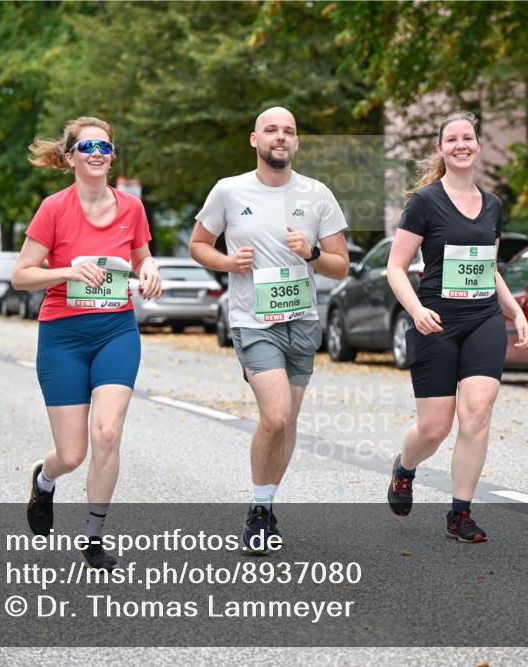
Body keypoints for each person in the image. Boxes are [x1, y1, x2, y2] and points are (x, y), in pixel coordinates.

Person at [189, 107, 349, 554]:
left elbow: (340, 266)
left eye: (289, 131)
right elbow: (198, 245)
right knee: (275, 416)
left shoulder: (317, 194)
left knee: (287, 423)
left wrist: (312, 252)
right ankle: (257, 512)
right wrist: (226, 262)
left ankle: (267, 502)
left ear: (296, 143)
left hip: (302, 322)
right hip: (252, 321)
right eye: (272, 130)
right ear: (254, 140)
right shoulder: (229, 190)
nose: (281, 137)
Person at [12, 116, 162, 570]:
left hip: (116, 330)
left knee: (108, 433)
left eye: (105, 148)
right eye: (88, 147)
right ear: (72, 156)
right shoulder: (54, 208)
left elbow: (142, 257)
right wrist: (67, 270)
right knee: (73, 454)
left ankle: (94, 537)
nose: (98, 154)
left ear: (111, 156)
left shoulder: (132, 208)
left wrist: (150, 270)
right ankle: (45, 479)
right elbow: (21, 276)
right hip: (63, 336)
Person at [386, 111, 528, 542]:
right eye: (452, 139)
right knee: (434, 428)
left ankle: (459, 513)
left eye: (468, 137)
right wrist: (415, 310)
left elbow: (489, 269)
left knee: (477, 414)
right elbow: (396, 267)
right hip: (435, 321)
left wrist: (514, 310)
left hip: (483, 318)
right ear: (441, 149)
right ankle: (404, 467)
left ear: (478, 146)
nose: (461, 145)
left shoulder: (492, 205)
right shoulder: (425, 201)